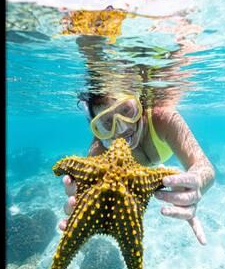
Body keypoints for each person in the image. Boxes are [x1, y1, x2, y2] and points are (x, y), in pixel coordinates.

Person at [59, 91, 215, 245]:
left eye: (126, 110)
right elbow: (87, 197)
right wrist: (83, 208)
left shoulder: (162, 118)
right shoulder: (99, 151)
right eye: (107, 121)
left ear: (139, 103)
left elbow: (204, 166)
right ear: (98, 129)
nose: (121, 128)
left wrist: (197, 181)